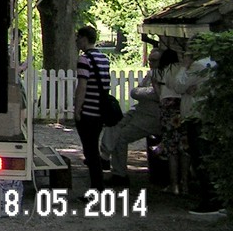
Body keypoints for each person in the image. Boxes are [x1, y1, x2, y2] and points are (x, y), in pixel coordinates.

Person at [101, 47, 162, 188]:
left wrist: (141, 92)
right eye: (150, 60)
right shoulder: (151, 74)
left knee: (122, 137)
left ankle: (119, 174)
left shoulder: (161, 76)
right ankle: (105, 155)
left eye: (154, 60)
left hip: (151, 116)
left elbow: (150, 94)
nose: (151, 63)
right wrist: (141, 92)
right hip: (140, 111)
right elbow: (137, 91)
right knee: (115, 122)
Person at [175, 54, 225, 216]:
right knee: (207, 156)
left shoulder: (197, 66)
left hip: (196, 116)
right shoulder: (212, 63)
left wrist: (184, 67)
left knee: (200, 157)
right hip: (206, 115)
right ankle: (216, 197)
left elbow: (179, 85)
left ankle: (209, 199)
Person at [74, 25, 110, 197]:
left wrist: (77, 109)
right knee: (93, 149)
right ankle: (98, 185)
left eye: (78, 37)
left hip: (88, 110)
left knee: (90, 151)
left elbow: (82, 86)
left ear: (84, 39)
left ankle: (97, 187)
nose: (76, 41)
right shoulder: (104, 58)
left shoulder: (84, 59)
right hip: (100, 110)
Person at [155, 48, 187, 194]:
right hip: (182, 107)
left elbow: (159, 93)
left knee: (171, 148)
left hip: (168, 109)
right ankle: (185, 183)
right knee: (184, 147)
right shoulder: (183, 69)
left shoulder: (162, 71)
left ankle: (174, 184)